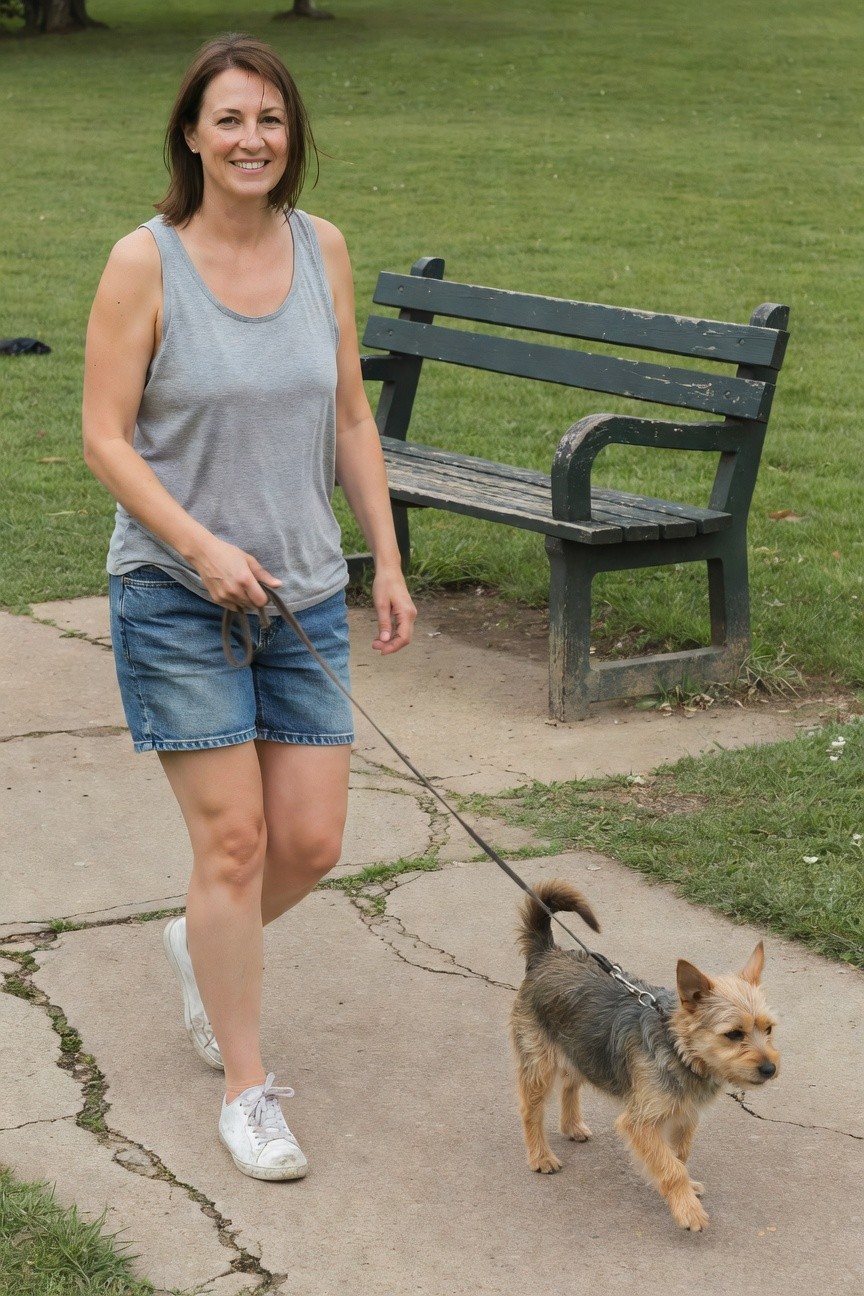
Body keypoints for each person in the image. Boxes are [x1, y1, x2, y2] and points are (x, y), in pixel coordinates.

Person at [82, 33, 416, 1182]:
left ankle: (198, 942)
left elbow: (352, 418)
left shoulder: (322, 247)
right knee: (234, 844)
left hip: (305, 594)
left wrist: (384, 559)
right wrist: (199, 544)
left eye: (269, 119)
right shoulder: (144, 263)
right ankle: (246, 1089)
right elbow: (104, 439)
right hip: (177, 596)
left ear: (292, 134)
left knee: (311, 845)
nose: (251, 139)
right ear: (191, 133)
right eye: (228, 118)